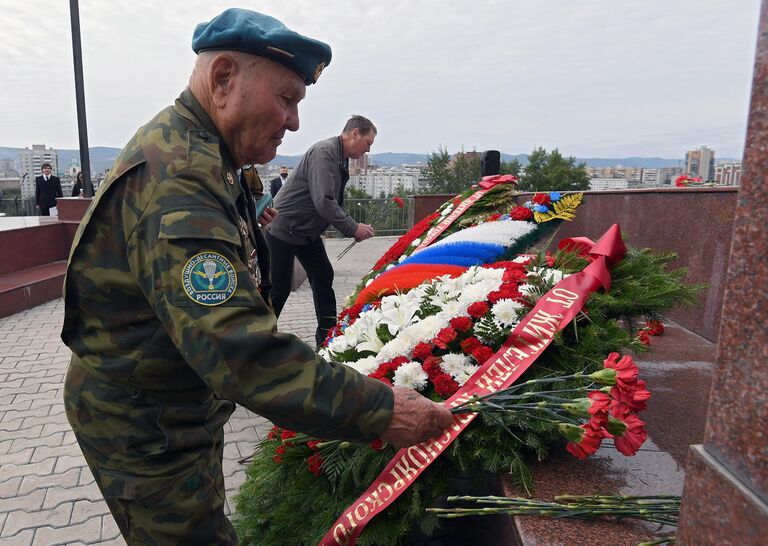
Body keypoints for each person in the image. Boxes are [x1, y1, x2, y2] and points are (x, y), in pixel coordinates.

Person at [60, 9, 452, 545]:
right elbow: (240, 353)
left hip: (169, 400)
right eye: (286, 99)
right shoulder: (179, 181)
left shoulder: (201, 148)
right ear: (224, 80)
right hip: (146, 425)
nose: (293, 122)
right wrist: (384, 410)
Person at [266, 115, 376, 347]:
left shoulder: (340, 157)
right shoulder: (325, 152)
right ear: (354, 133)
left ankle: (327, 340)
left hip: (305, 232)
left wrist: (347, 225)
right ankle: (258, 342)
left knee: (323, 276)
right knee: (279, 289)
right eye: (367, 143)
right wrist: (353, 228)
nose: (367, 150)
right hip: (285, 228)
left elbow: (331, 200)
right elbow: (324, 201)